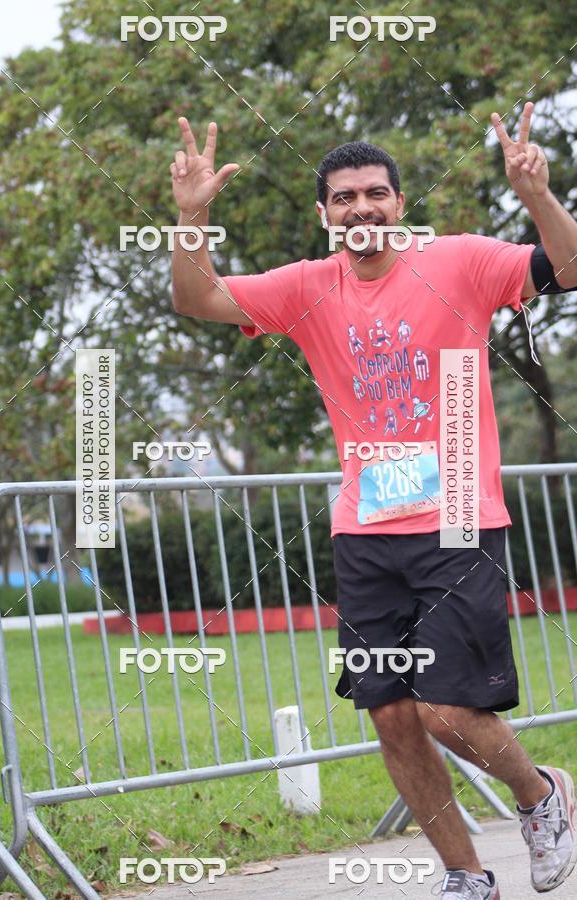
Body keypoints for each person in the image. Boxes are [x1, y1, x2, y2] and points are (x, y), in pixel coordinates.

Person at [169, 102, 577, 898]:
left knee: (446, 711)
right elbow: (198, 299)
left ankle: (542, 796)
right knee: (391, 713)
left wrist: (536, 196)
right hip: (365, 526)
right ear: (326, 215)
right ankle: (467, 876)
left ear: (400, 203)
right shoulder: (308, 286)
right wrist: (192, 218)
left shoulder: (459, 261)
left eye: (375, 193)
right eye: (345, 197)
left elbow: (566, 268)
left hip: (458, 509)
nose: (362, 207)